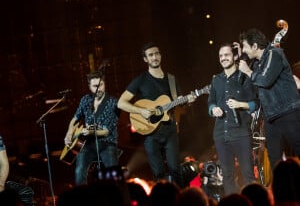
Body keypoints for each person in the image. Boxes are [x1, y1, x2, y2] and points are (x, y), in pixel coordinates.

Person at [118, 42, 196, 187]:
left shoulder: (171, 79)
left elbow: (179, 101)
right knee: (158, 173)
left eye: (157, 54)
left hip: (170, 129)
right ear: (145, 59)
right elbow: (121, 103)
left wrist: (188, 100)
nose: (154, 57)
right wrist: (141, 110)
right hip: (150, 133)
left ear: (160, 55)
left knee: (175, 170)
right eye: (150, 55)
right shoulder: (140, 80)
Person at [239, 28, 300, 170]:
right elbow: (249, 87)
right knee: (274, 159)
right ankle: (282, 190)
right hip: (271, 117)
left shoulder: (274, 53)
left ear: (254, 46)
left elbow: (265, 80)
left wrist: (248, 72)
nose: (243, 51)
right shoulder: (256, 64)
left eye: (245, 47)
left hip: (288, 111)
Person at [208, 43, 258, 195]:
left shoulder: (244, 77)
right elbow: (211, 102)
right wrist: (213, 109)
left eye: (227, 55)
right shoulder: (216, 80)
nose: (223, 58)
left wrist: (240, 104)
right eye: (221, 56)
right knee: (227, 176)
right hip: (221, 135)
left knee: (248, 174)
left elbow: (255, 103)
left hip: (241, 133)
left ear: (234, 56)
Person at [64, 70, 120, 186]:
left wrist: (90, 131)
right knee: (79, 171)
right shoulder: (85, 100)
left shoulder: (113, 102)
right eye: (95, 86)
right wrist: (69, 133)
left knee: (113, 174)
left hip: (107, 143)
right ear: (89, 87)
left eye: (101, 85)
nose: (99, 89)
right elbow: (75, 119)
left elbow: (106, 131)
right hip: (88, 144)